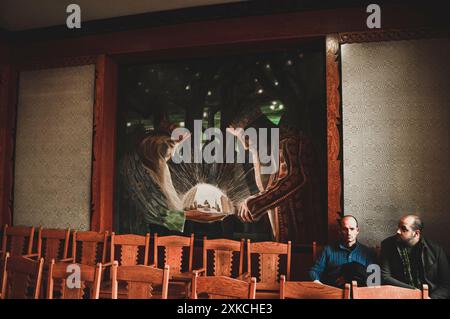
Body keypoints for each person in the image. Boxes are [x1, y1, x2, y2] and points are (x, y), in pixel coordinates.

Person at [380, 215, 450, 299]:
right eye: (398, 227)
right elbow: (385, 277)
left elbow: (446, 284)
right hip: (400, 295)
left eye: (403, 229)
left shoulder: (436, 250)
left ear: (416, 233)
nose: (398, 231)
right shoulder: (388, 244)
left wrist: (431, 298)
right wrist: (414, 292)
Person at [308, 215, 375, 287]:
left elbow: (374, 278)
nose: (348, 233)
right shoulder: (328, 250)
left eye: (352, 229)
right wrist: (319, 285)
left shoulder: (366, 252)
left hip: (359, 294)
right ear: (340, 231)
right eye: (345, 229)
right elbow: (314, 271)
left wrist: (350, 276)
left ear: (357, 231)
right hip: (333, 292)